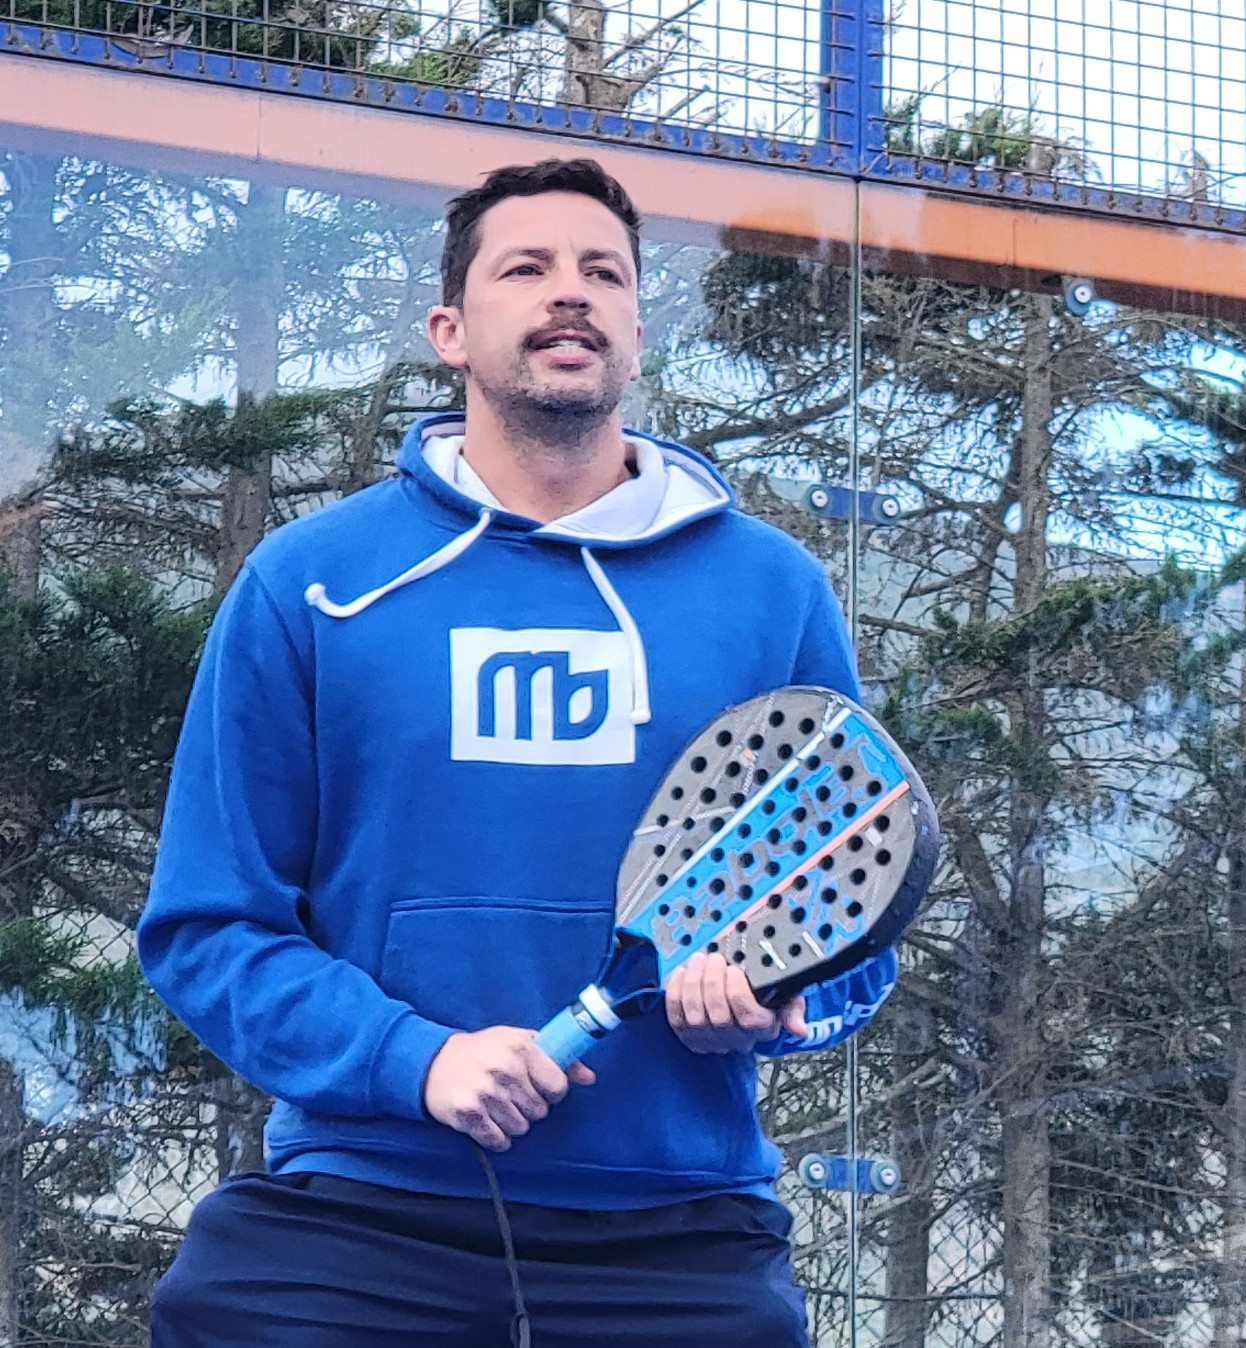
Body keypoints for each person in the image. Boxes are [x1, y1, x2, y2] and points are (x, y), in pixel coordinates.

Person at [139, 157, 898, 1347]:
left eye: (604, 272)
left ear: (637, 333)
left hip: (679, 1223)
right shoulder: (312, 582)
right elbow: (208, 925)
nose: (570, 292)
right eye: (526, 268)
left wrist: (775, 1002)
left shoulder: (772, 591)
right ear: (449, 329)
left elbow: (859, 916)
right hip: (367, 1199)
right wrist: (413, 1059)